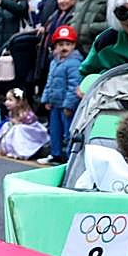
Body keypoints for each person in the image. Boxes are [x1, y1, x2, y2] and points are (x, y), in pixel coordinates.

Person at [38, 24, 83, 165]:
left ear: (74, 45)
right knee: (55, 131)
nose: (64, 48)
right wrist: (46, 99)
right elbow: (49, 81)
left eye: (68, 44)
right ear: (55, 46)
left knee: (69, 132)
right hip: (55, 104)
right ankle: (55, 154)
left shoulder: (75, 63)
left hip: (66, 105)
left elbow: (74, 86)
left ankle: (70, 158)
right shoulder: (54, 62)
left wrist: (69, 105)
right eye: (61, 44)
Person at [0, 87, 49, 159]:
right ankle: (7, 149)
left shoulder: (25, 114)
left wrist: (18, 123)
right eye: (6, 99)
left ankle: (21, 151)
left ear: (19, 102)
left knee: (18, 129)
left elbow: (30, 127)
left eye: (10, 100)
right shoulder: (11, 112)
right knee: (7, 126)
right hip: (17, 129)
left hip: (30, 132)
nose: (7, 102)